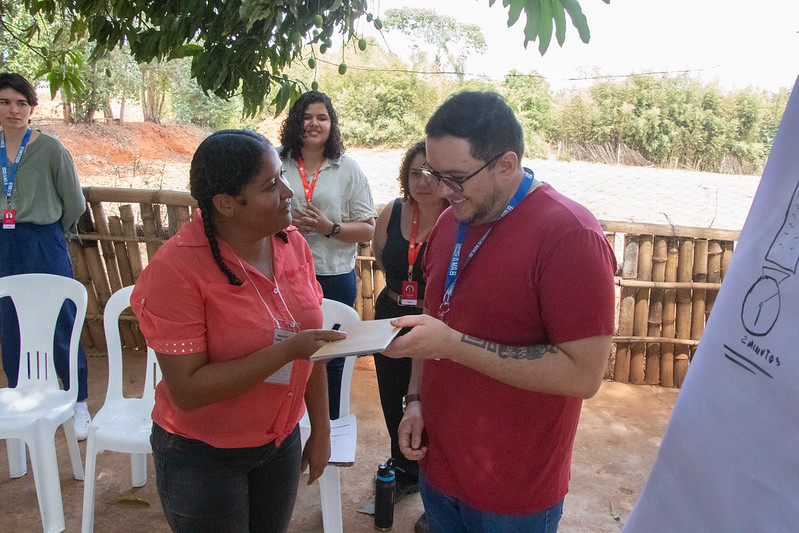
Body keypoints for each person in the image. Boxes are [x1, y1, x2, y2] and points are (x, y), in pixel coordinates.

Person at [382, 91, 617, 533]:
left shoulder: (570, 235)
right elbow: (431, 319)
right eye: (434, 173)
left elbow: (583, 375)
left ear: (506, 165)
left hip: (515, 489)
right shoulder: (452, 220)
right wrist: (414, 401)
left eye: (455, 177)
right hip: (440, 463)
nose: (441, 191)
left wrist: (454, 346)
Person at [130, 130, 345, 532]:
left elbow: (311, 345)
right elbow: (188, 390)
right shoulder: (176, 270)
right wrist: (286, 352)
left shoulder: (291, 243)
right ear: (225, 203)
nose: (287, 191)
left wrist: (320, 429)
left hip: (279, 442)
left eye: (281, 176)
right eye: (270, 185)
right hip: (202, 457)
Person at [0, 72, 91, 439]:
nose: (13, 110)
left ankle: (79, 401)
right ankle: (23, 401)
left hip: (44, 241)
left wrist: (53, 235)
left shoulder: (50, 149)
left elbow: (74, 203)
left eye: (21, 103)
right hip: (4, 243)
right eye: (5, 102)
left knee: (61, 320)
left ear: (32, 108)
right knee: (10, 322)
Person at [279, 91, 376, 420]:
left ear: (332, 124)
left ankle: (329, 427)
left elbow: (368, 228)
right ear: (295, 122)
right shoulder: (275, 162)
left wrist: (328, 227)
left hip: (333, 277)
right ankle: (289, 427)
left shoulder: (348, 168)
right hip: (282, 275)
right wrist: (284, 223)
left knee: (331, 357)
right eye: (307, 117)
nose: (314, 123)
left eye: (322, 117)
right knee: (286, 354)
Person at [371, 140, 447, 498]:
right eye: (416, 172)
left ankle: (432, 472)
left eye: (432, 172)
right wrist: (403, 291)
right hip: (391, 314)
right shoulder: (393, 210)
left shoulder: (456, 216)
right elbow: (380, 254)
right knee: (391, 392)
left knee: (430, 397)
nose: (423, 180)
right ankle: (402, 466)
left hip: (434, 321)